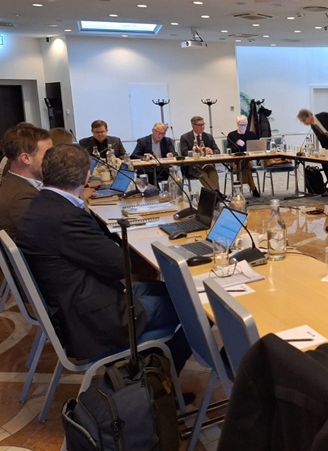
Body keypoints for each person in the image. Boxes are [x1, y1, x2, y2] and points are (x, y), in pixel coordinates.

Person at [16, 144, 191, 372]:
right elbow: (120, 266)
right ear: (86, 176)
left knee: (174, 291)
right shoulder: (65, 216)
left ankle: (152, 365)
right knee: (195, 306)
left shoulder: (42, 204)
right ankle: (161, 375)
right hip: (96, 319)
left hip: (81, 299)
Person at [0, 125, 52, 241]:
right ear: (26, 158)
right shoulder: (21, 198)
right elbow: (51, 238)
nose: (53, 159)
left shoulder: (13, 183)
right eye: (48, 155)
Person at [179, 115, 221, 192]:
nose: (202, 127)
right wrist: (197, 152)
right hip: (193, 166)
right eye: (200, 125)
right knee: (203, 175)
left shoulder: (208, 136)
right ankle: (217, 194)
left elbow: (217, 150)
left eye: (203, 124)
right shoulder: (185, 137)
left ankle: (215, 195)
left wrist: (212, 151)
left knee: (213, 173)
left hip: (207, 164)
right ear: (193, 126)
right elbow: (184, 152)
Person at [226, 115, 260, 197]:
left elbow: (256, 147)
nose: (243, 127)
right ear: (237, 124)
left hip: (249, 160)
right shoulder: (231, 135)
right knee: (244, 166)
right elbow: (229, 150)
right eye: (241, 125)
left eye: (245, 125)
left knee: (244, 165)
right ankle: (253, 189)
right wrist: (236, 144)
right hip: (235, 161)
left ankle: (239, 191)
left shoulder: (251, 134)